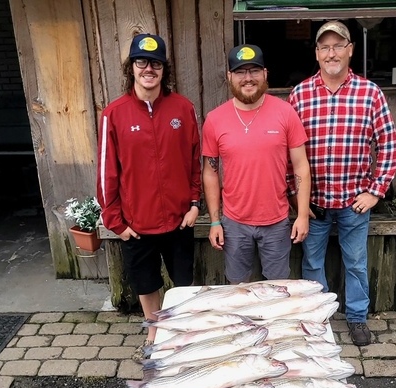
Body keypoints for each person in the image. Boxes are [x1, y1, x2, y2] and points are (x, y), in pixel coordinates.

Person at [288, 21, 396, 346]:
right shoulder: (300, 94)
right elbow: (287, 153)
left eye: (338, 45)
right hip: (315, 202)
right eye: (325, 47)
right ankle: (318, 320)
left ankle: (356, 318)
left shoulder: (370, 93)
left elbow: (389, 145)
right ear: (317, 53)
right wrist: (298, 198)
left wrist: (375, 191)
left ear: (351, 50)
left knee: (355, 262)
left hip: (355, 201)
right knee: (311, 263)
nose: (332, 52)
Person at [96, 33, 201, 361]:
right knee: (146, 283)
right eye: (142, 62)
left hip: (179, 219)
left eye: (155, 63)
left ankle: (181, 331)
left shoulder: (183, 108)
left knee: (182, 283)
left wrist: (195, 203)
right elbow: (106, 173)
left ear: (164, 69)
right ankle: (155, 331)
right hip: (136, 223)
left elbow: (195, 160)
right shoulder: (114, 114)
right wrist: (116, 221)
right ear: (132, 67)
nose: (148, 69)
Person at [202, 44, 311, 284]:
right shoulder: (214, 119)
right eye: (240, 72)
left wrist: (302, 215)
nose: (248, 78)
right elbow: (210, 172)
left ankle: (273, 323)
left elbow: (301, 165)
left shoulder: (286, 112)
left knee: (277, 286)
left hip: (276, 220)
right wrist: (214, 220)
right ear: (230, 76)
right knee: (238, 286)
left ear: (265, 74)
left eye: (254, 71)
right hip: (234, 222)